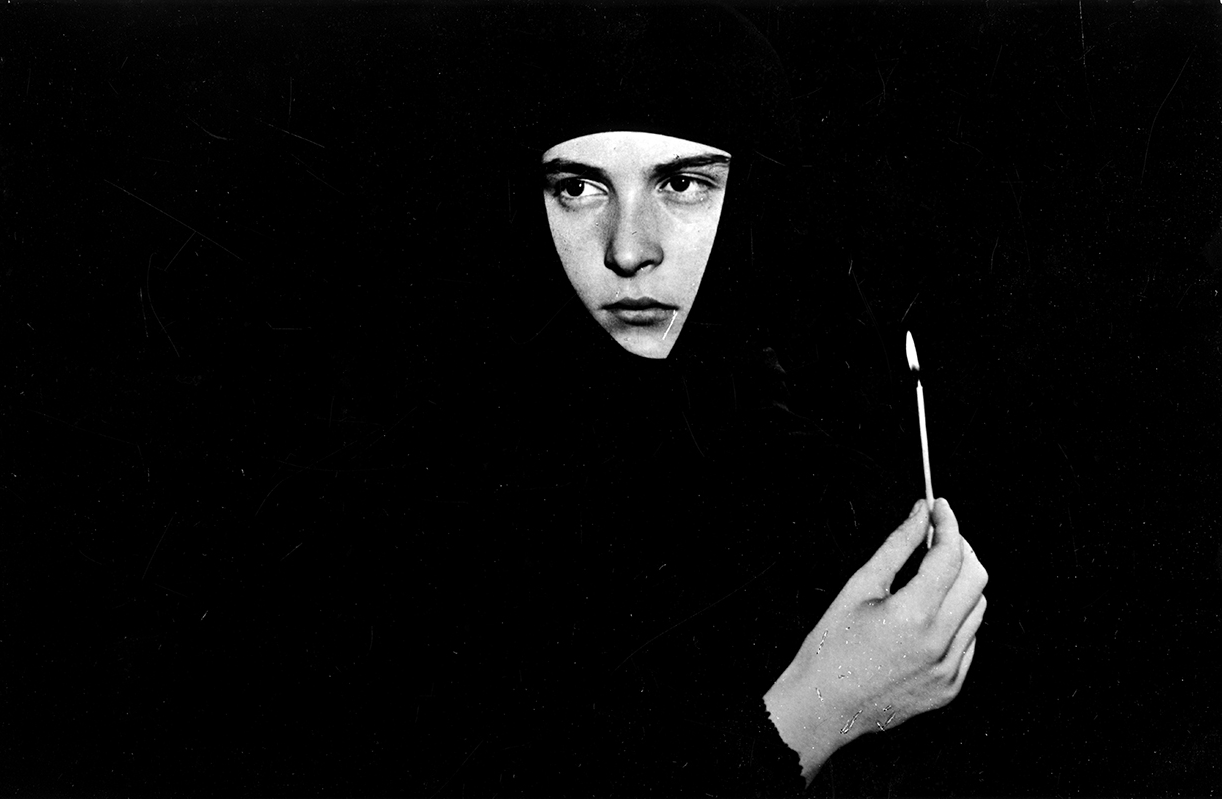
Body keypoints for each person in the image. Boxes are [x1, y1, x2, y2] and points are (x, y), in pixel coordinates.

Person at [359, 4, 989, 794]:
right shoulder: (449, 503)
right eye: (578, 187)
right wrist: (822, 707)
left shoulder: (846, 479)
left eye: (683, 183)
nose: (629, 249)